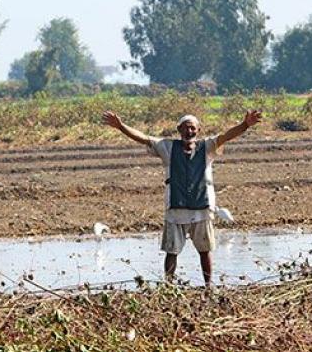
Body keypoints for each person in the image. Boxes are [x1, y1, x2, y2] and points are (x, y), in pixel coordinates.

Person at [102, 109, 262, 286]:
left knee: (205, 250)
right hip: (176, 209)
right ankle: (169, 285)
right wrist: (121, 126)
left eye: (193, 128)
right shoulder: (167, 147)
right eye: (185, 128)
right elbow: (144, 138)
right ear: (179, 130)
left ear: (198, 130)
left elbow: (226, 136)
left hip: (201, 208)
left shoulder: (207, 147)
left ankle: (208, 285)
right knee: (172, 251)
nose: (189, 132)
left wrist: (245, 124)